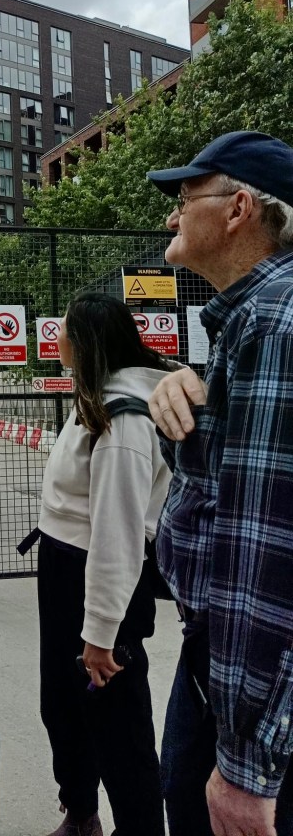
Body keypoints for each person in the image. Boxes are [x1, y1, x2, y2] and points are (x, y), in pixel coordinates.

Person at [146, 130, 293, 836]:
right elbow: (231, 490)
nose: (170, 217)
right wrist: (187, 398)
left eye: (183, 199)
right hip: (230, 676)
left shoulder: (275, 321)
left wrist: (246, 765)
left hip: (251, 704)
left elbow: (261, 557)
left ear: (238, 210)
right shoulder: (247, 323)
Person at [35, 292, 173, 836]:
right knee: (63, 706)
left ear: (87, 341)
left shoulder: (124, 421)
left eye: (63, 328)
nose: (56, 337)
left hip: (98, 583)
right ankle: (82, 812)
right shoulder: (94, 396)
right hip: (65, 573)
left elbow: (118, 537)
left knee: (119, 725)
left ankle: (138, 826)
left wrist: (101, 634)